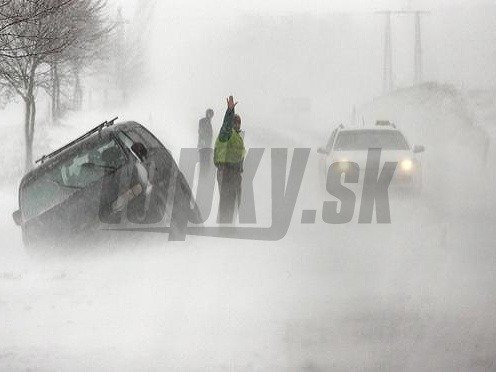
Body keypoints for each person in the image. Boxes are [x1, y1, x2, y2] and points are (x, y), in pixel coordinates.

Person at [214, 96, 245, 224]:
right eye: (234, 122)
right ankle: (224, 228)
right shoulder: (226, 133)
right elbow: (226, 126)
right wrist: (229, 112)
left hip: (235, 173)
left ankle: (228, 227)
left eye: (238, 122)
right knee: (226, 201)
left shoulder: (238, 137)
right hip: (226, 172)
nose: (236, 124)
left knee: (235, 200)